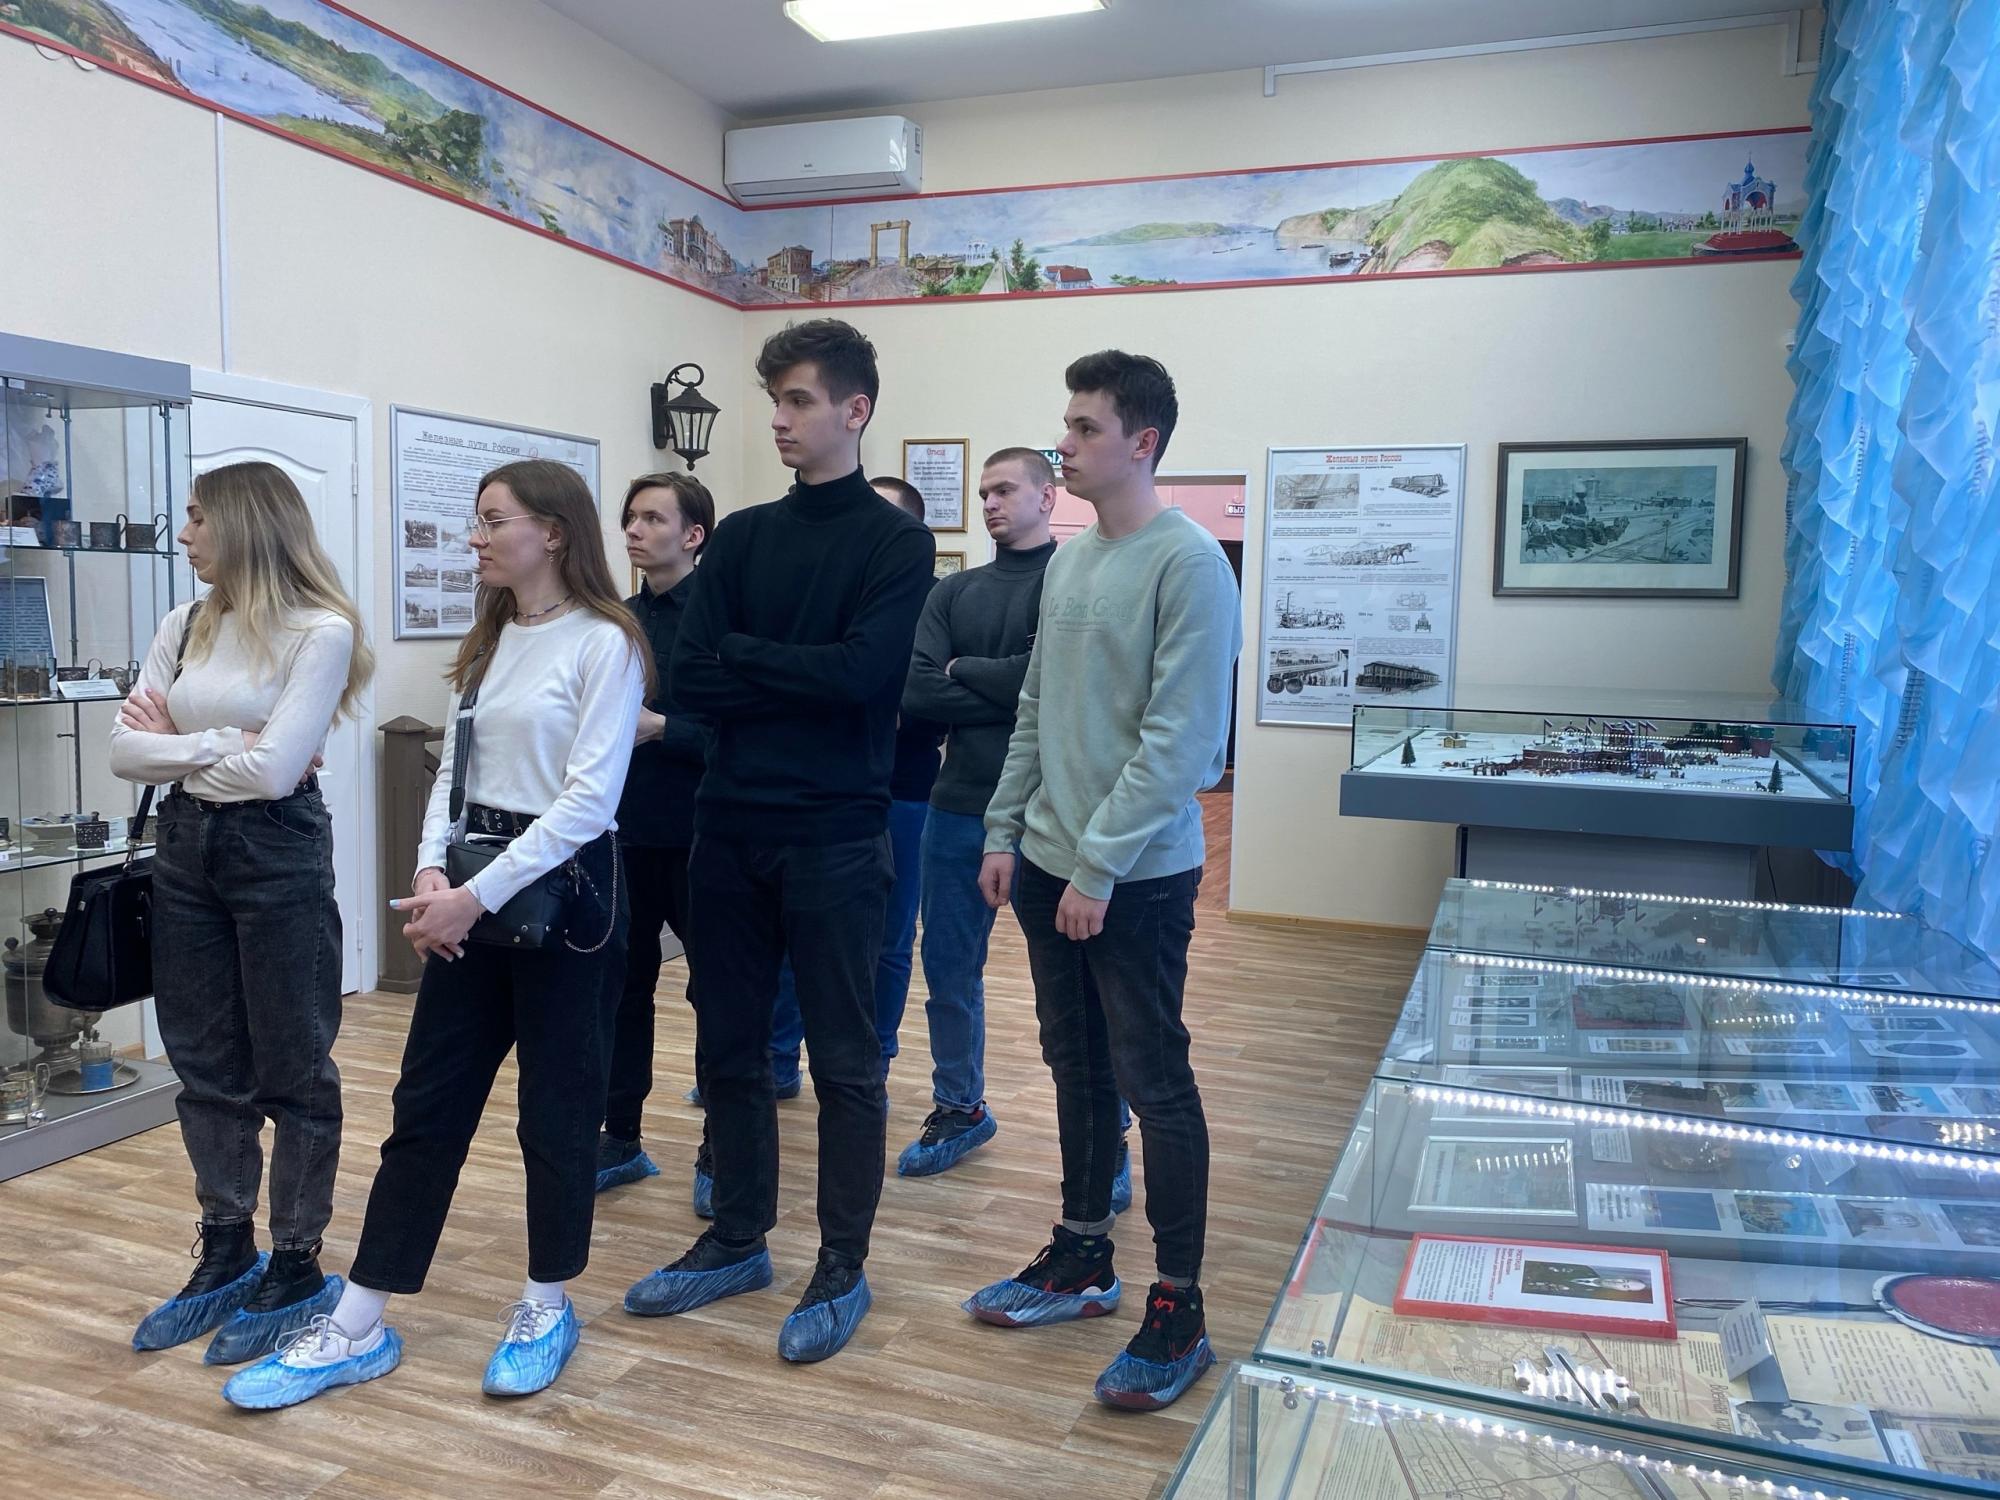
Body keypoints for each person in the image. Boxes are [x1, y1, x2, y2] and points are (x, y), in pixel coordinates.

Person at [221, 459, 645, 1409]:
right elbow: (453, 772)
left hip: (570, 901)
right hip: (473, 892)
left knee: (557, 1111)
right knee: (427, 1108)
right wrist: (428, 874)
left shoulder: (605, 642)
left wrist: (472, 896)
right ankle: (359, 1320)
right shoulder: (491, 637)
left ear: (553, 533)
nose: (476, 537)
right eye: (476, 520)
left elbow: (588, 803)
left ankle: (546, 1302)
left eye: (494, 520)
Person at [625, 319, 932, 1365]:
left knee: (844, 1062)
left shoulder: (895, 544)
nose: (780, 420)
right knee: (728, 1048)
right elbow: (691, 678)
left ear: (854, 408)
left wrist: (752, 660)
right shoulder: (747, 535)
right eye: (775, 402)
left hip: (835, 835)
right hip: (727, 828)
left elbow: (864, 677)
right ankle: (737, 1238)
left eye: (798, 400)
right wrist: (796, 669)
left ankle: (841, 1260)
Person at [963, 352, 1240, 1412]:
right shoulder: (1073, 562)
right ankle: (1081, 1254)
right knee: (1074, 1064)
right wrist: (1005, 829)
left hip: (1134, 879)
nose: (1063, 443)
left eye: (1083, 428)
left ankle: (1179, 1306)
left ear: (1142, 443)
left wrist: (1096, 864)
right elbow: (1036, 710)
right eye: (1065, 425)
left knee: (1152, 1079)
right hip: (1048, 866)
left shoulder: (1189, 564)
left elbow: (1182, 745)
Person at [111, 461, 372, 1366]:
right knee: (203, 1059)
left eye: (198, 518)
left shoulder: (321, 630)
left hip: (277, 847)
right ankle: (226, 1246)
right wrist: (224, 740)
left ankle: (295, 1260)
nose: (184, 534)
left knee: (293, 1063)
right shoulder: (183, 624)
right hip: (185, 846)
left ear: (246, 524)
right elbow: (123, 752)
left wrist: (177, 746)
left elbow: (275, 773)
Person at [893, 448, 1058, 1176]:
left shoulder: (1073, 582)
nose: (990, 503)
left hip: (1051, 812)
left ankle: (1106, 1132)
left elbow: (1063, 684)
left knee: (1074, 986)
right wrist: (1019, 690)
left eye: (1005, 490)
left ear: (1046, 498)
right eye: (984, 492)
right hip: (957, 806)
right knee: (949, 968)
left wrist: (963, 669)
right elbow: (916, 691)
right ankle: (960, 1106)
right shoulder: (953, 592)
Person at [765, 473, 944, 1110]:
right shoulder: (819, 589)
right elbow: (792, 683)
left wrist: (862, 697)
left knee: (889, 941)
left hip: (903, 790)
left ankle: (873, 1062)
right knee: (794, 935)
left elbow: (933, 700)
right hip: (816, 786)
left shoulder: (931, 603)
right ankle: (777, 1060)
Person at [596, 472, 715, 1196]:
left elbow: (743, 734)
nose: (635, 531)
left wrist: (664, 728)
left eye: (653, 519)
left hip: (705, 833)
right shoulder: (617, 621)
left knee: (718, 994)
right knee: (622, 988)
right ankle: (620, 1137)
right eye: (630, 519)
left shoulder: (722, 620)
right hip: (626, 832)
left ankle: (720, 1150)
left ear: (693, 535)